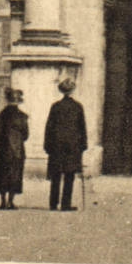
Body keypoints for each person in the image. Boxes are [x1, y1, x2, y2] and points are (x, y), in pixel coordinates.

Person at [44, 77, 88, 211]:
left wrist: (47, 145)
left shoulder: (55, 106)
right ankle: (65, 204)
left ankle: (53, 203)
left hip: (56, 145)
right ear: (73, 91)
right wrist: (83, 144)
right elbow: (82, 127)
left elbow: (49, 127)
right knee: (69, 175)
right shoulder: (78, 107)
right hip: (72, 146)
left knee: (56, 174)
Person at [0, 88, 29, 211]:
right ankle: (11, 201)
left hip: (3, 148)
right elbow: (26, 135)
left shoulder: (1, 115)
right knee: (15, 174)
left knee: (2, 173)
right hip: (17, 149)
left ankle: (3, 201)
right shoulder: (22, 116)